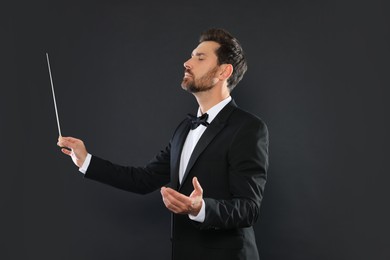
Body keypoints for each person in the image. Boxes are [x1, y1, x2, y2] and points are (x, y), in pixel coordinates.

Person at [58, 28, 269, 260]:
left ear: (223, 71)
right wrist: (85, 160)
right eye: (191, 56)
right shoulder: (183, 129)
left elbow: (249, 209)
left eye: (200, 58)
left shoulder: (248, 128)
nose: (187, 63)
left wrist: (200, 208)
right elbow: (143, 179)